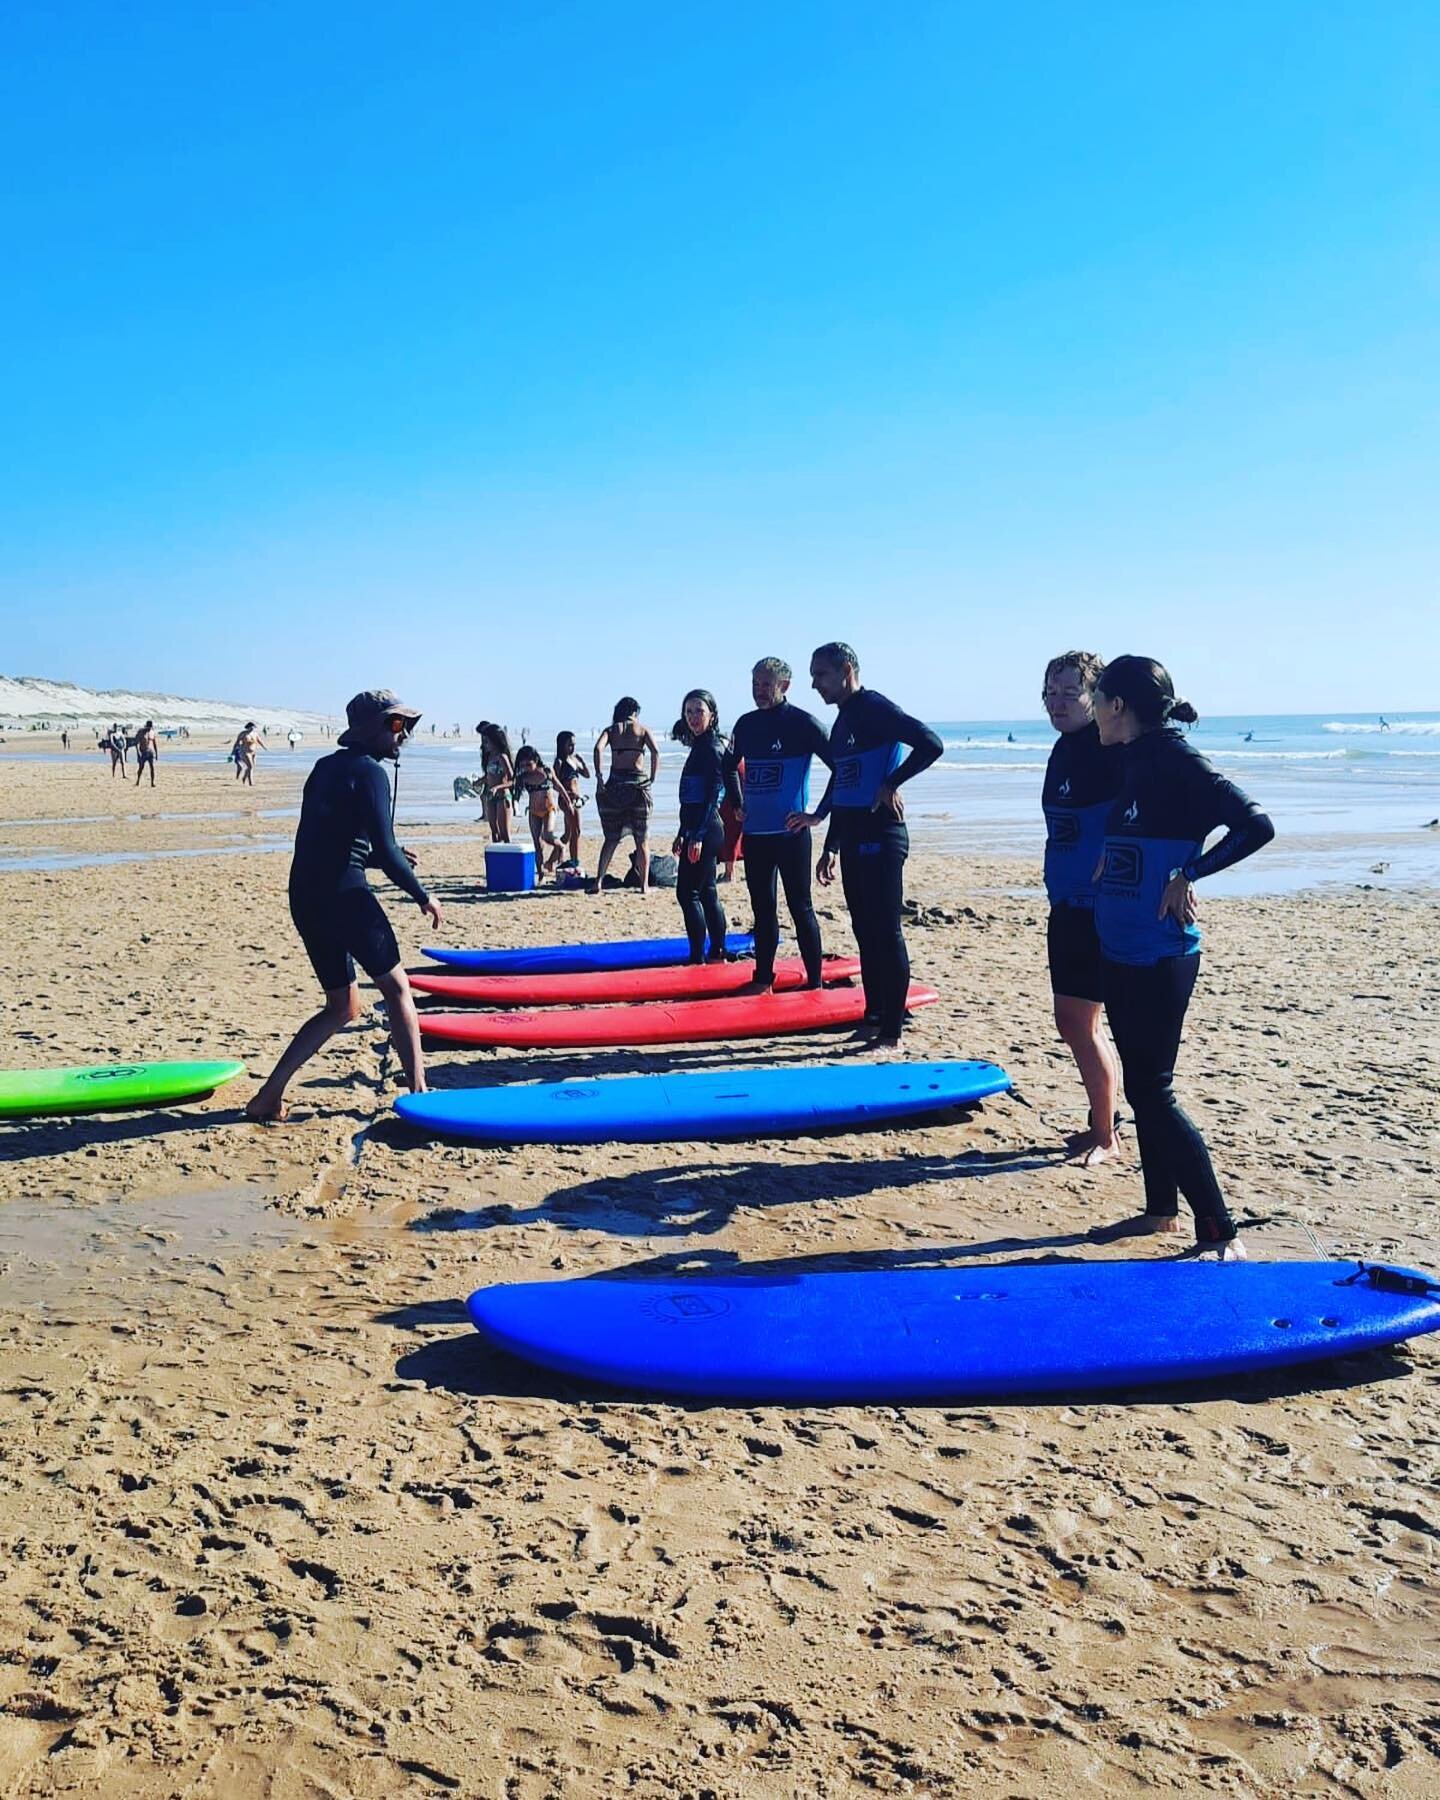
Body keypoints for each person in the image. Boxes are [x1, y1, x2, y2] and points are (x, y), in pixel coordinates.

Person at [1088, 656, 1274, 1257]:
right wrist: (1110, 859)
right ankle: (1160, 1210)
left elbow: (1255, 825)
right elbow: (1145, 834)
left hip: (1159, 953)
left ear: (1118, 705)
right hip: (1121, 947)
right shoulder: (1137, 758)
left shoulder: (1175, 757)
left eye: (1096, 699)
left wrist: (1191, 872)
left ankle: (1219, 1230)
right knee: (1144, 1091)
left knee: (1153, 1091)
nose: (1091, 710)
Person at [246, 689, 442, 1122]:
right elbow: (386, 851)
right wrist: (423, 896)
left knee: (343, 1006)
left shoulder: (323, 768)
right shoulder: (372, 774)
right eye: (395, 725)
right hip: (344, 895)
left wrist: (375, 855)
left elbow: (325, 842)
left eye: (406, 726)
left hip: (306, 894)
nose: (402, 734)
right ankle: (421, 1094)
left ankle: (269, 1096)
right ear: (370, 728)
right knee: (397, 989)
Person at [795, 643, 942, 1048]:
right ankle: (873, 1013)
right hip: (853, 833)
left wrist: (892, 782)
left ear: (846, 670)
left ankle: (893, 1025)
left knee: (885, 929)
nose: (814, 684)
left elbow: (931, 743)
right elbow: (843, 782)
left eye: (820, 674)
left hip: (882, 833)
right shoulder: (842, 722)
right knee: (864, 929)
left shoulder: (874, 708)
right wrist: (831, 846)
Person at [1041, 650, 1123, 1164]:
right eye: (1050, 693)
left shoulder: (1109, 749)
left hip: (1099, 909)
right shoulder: (1063, 748)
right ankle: (1104, 1122)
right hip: (1066, 902)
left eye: (1070, 693)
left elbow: (1154, 806)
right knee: (1075, 1023)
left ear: (1096, 697)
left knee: (1079, 1023)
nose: (1058, 703)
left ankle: (1107, 1137)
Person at [726, 656, 832, 991]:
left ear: (784, 686)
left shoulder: (804, 724)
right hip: (756, 835)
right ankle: (763, 978)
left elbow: (843, 769)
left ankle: (814, 981)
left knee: (801, 908)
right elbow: (728, 766)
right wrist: (739, 803)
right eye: (754, 683)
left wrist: (817, 815)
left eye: (765, 684)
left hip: (791, 835)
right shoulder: (745, 724)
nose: (758, 690)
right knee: (762, 909)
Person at [671, 689, 741, 962]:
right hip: (698, 827)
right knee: (707, 890)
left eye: (699, 711)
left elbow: (716, 792)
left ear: (712, 715)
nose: (693, 717)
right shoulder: (700, 745)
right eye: (688, 711)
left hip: (707, 829)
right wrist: (682, 832)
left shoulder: (712, 747)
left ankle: (698, 957)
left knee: (687, 893)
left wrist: (697, 834)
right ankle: (717, 951)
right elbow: (692, 798)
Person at [593, 698, 661, 894]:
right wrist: (653, 777)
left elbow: (598, 749)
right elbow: (656, 752)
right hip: (638, 786)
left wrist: (599, 776)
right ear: (634, 712)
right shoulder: (642, 729)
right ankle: (644, 885)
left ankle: (598, 881)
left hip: (615, 784)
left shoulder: (612, 730)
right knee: (642, 840)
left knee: (611, 838)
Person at [514, 744, 575, 876]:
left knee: (548, 835)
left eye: (528, 764)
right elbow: (514, 791)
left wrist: (568, 802)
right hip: (534, 812)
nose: (526, 768)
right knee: (537, 844)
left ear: (536, 760)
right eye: (523, 765)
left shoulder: (546, 771)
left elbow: (558, 787)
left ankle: (561, 847)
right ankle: (540, 873)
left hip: (549, 809)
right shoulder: (523, 777)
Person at [477, 724, 515, 843]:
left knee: (505, 833)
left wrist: (498, 787)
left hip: (502, 796)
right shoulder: (489, 757)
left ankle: (509, 857)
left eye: (487, 742)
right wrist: (479, 781)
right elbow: (489, 776)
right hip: (490, 796)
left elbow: (513, 780)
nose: (485, 745)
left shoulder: (502, 757)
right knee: (494, 832)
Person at [134, 721, 158, 787]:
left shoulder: (152, 732)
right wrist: (138, 752)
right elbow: (137, 743)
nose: (149, 728)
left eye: (150, 727)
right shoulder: (141, 732)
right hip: (143, 752)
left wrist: (156, 753)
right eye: (148, 727)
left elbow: (154, 743)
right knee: (141, 767)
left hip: (151, 752)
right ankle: (138, 781)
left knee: (152, 768)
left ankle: (152, 783)